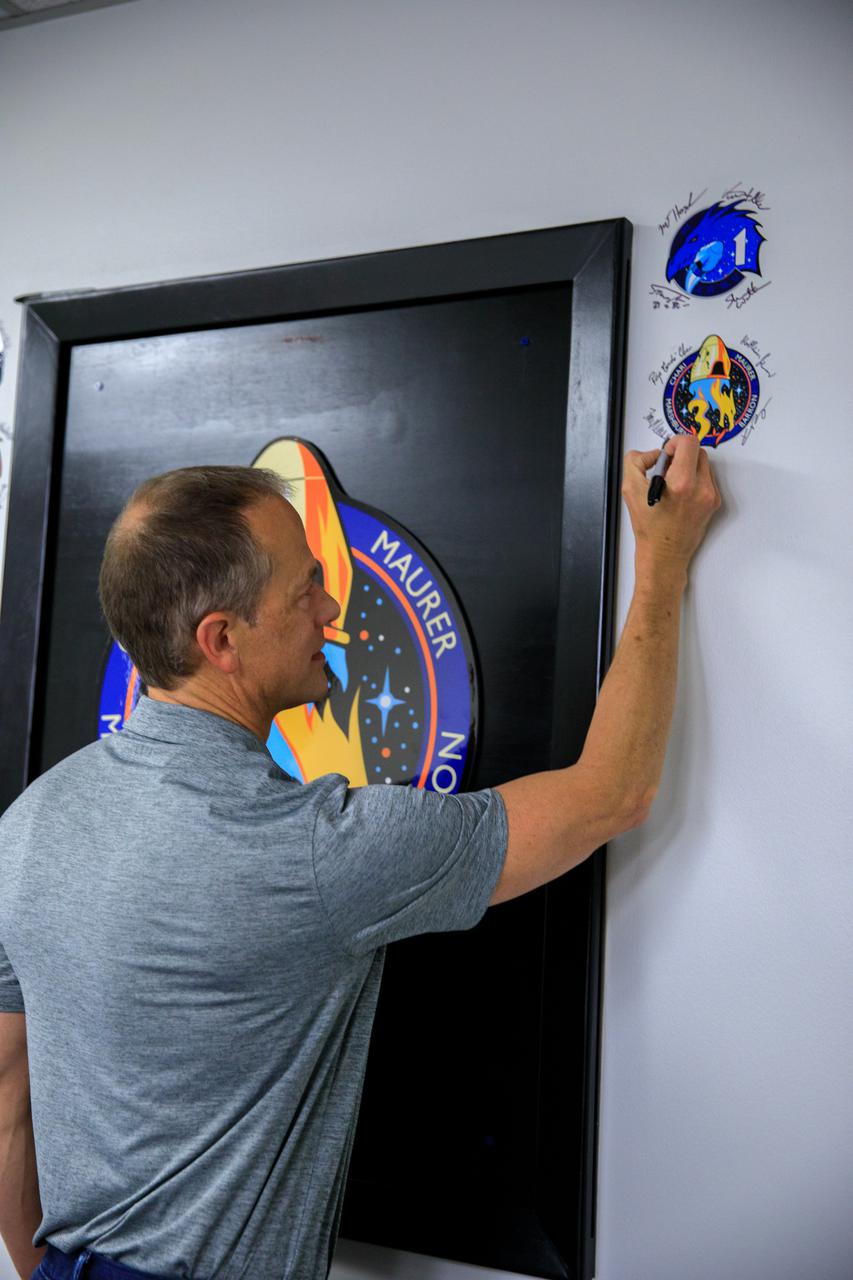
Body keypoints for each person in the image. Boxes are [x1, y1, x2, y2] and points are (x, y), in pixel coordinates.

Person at [0, 436, 718, 1280]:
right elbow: (611, 794)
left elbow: (6, 1092)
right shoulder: (311, 847)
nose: (331, 607)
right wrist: (662, 560)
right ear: (221, 639)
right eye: (305, 588)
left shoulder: (30, 823)